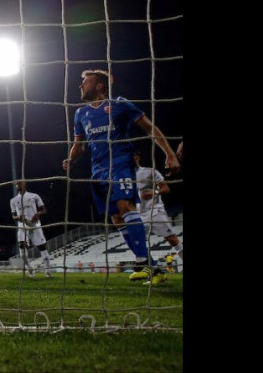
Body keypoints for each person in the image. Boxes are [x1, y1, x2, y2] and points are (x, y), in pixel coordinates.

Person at [63, 70, 181, 285]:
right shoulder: (80, 113)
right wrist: (71, 159)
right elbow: (78, 145)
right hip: (98, 170)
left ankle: (142, 260)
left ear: (99, 86)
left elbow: (149, 128)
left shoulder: (119, 104)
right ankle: (153, 268)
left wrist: (170, 153)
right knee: (116, 219)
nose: (80, 86)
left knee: (125, 205)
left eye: (85, 82)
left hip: (120, 163)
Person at [133, 150, 184, 260]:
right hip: (137, 214)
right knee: (136, 241)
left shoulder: (149, 172)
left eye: (131, 155)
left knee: (172, 239)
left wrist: (154, 193)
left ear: (137, 156)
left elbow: (166, 188)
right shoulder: (125, 176)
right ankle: (150, 268)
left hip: (154, 210)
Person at [11, 180, 52, 278]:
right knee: (21, 245)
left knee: (42, 247)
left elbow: (44, 210)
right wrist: (18, 217)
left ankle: (48, 272)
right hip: (22, 225)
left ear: (25, 184)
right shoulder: (13, 200)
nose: (18, 184)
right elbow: (13, 216)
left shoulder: (34, 196)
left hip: (35, 225)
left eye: (20, 183)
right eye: (17, 184)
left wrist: (38, 214)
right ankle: (29, 268)